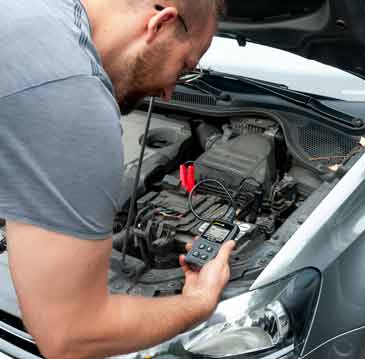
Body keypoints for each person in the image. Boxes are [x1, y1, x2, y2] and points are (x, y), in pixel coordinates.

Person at [0, 0, 234, 358]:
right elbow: (71, 335)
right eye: (184, 67)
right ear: (160, 24)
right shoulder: (71, 100)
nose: (170, 92)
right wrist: (198, 303)